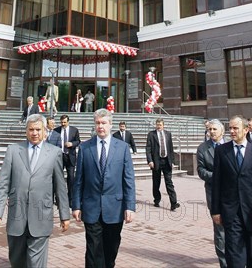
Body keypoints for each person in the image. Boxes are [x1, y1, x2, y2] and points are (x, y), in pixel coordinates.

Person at [0, 114, 70, 268]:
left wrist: (64, 215)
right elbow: (3, 183)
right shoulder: (13, 150)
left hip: (41, 216)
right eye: (31, 129)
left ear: (45, 131)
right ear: (26, 131)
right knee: (17, 261)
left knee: (36, 263)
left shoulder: (54, 153)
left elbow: (60, 186)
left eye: (38, 130)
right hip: (16, 216)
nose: (35, 133)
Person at [72, 108, 136, 268]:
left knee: (111, 249)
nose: (100, 126)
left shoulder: (122, 148)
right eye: (98, 123)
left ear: (110, 124)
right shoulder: (85, 148)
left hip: (115, 208)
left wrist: (130, 206)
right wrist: (76, 205)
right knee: (93, 251)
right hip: (91, 207)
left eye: (104, 123)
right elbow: (78, 179)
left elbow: (128, 179)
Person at [211, 115, 252, 268]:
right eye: (230, 128)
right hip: (231, 215)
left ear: (245, 130)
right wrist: (216, 211)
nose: (231, 131)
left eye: (235, 128)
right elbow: (216, 182)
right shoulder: (221, 151)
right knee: (234, 260)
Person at [197, 119, 227, 268]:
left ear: (222, 130)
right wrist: (216, 176)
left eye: (215, 129)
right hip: (214, 194)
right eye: (210, 130)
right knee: (220, 229)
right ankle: (224, 262)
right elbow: (201, 171)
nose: (212, 132)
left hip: (234, 195)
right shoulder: (203, 148)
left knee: (235, 228)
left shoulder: (231, 145)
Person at [146, 118, 180, 210]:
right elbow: (148, 149)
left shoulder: (168, 134)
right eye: (157, 124)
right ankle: (156, 200)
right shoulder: (151, 134)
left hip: (166, 162)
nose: (158, 126)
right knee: (156, 183)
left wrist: (172, 161)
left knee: (169, 183)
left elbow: (171, 149)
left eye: (160, 125)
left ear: (163, 125)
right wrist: (150, 161)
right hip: (156, 162)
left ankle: (174, 203)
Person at [55, 114, 80, 207]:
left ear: (68, 122)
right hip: (59, 157)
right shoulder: (56, 130)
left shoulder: (74, 130)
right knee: (58, 179)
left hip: (70, 157)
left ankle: (70, 200)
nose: (63, 124)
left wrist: (72, 144)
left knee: (71, 179)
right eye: (61, 122)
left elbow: (78, 141)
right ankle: (59, 200)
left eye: (65, 122)